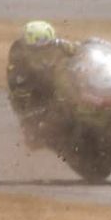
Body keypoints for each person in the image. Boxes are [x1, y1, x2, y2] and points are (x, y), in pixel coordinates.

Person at [7, 20, 78, 148]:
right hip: (32, 88)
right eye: (38, 45)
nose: (43, 48)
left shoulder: (60, 45)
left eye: (46, 44)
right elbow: (17, 80)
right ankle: (31, 130)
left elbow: (77, 49)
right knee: (33, 137)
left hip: (62, 83)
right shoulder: (18, 51)